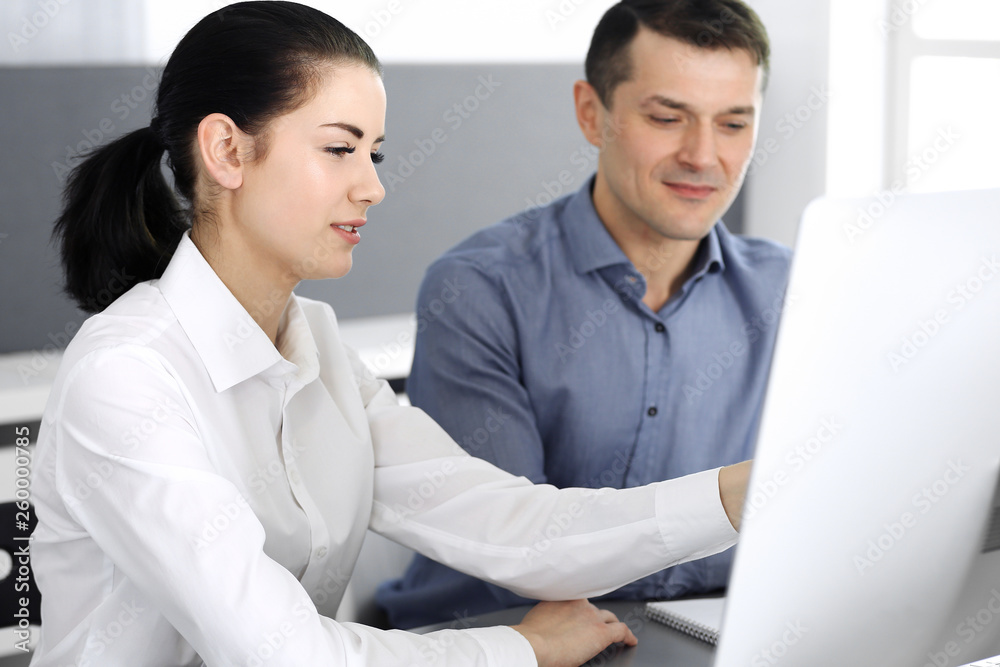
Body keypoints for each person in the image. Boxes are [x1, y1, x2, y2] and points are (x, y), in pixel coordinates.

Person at [29, 2, 751, 666]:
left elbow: (514, 527)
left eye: (373, 154)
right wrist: (518, 649)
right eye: (338, 149)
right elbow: (289, 654)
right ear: (226, 151)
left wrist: (736, 494)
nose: (372, 187)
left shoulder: (319, 348)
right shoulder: (126, 375)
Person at [377, 0, 792, 629]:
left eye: (734, 123)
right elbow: (522, 553)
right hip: (495, 642)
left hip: (711, 635)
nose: (703, 155)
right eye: (667, 117)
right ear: (591, 113)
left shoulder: (795, 291)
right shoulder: (480, 290)